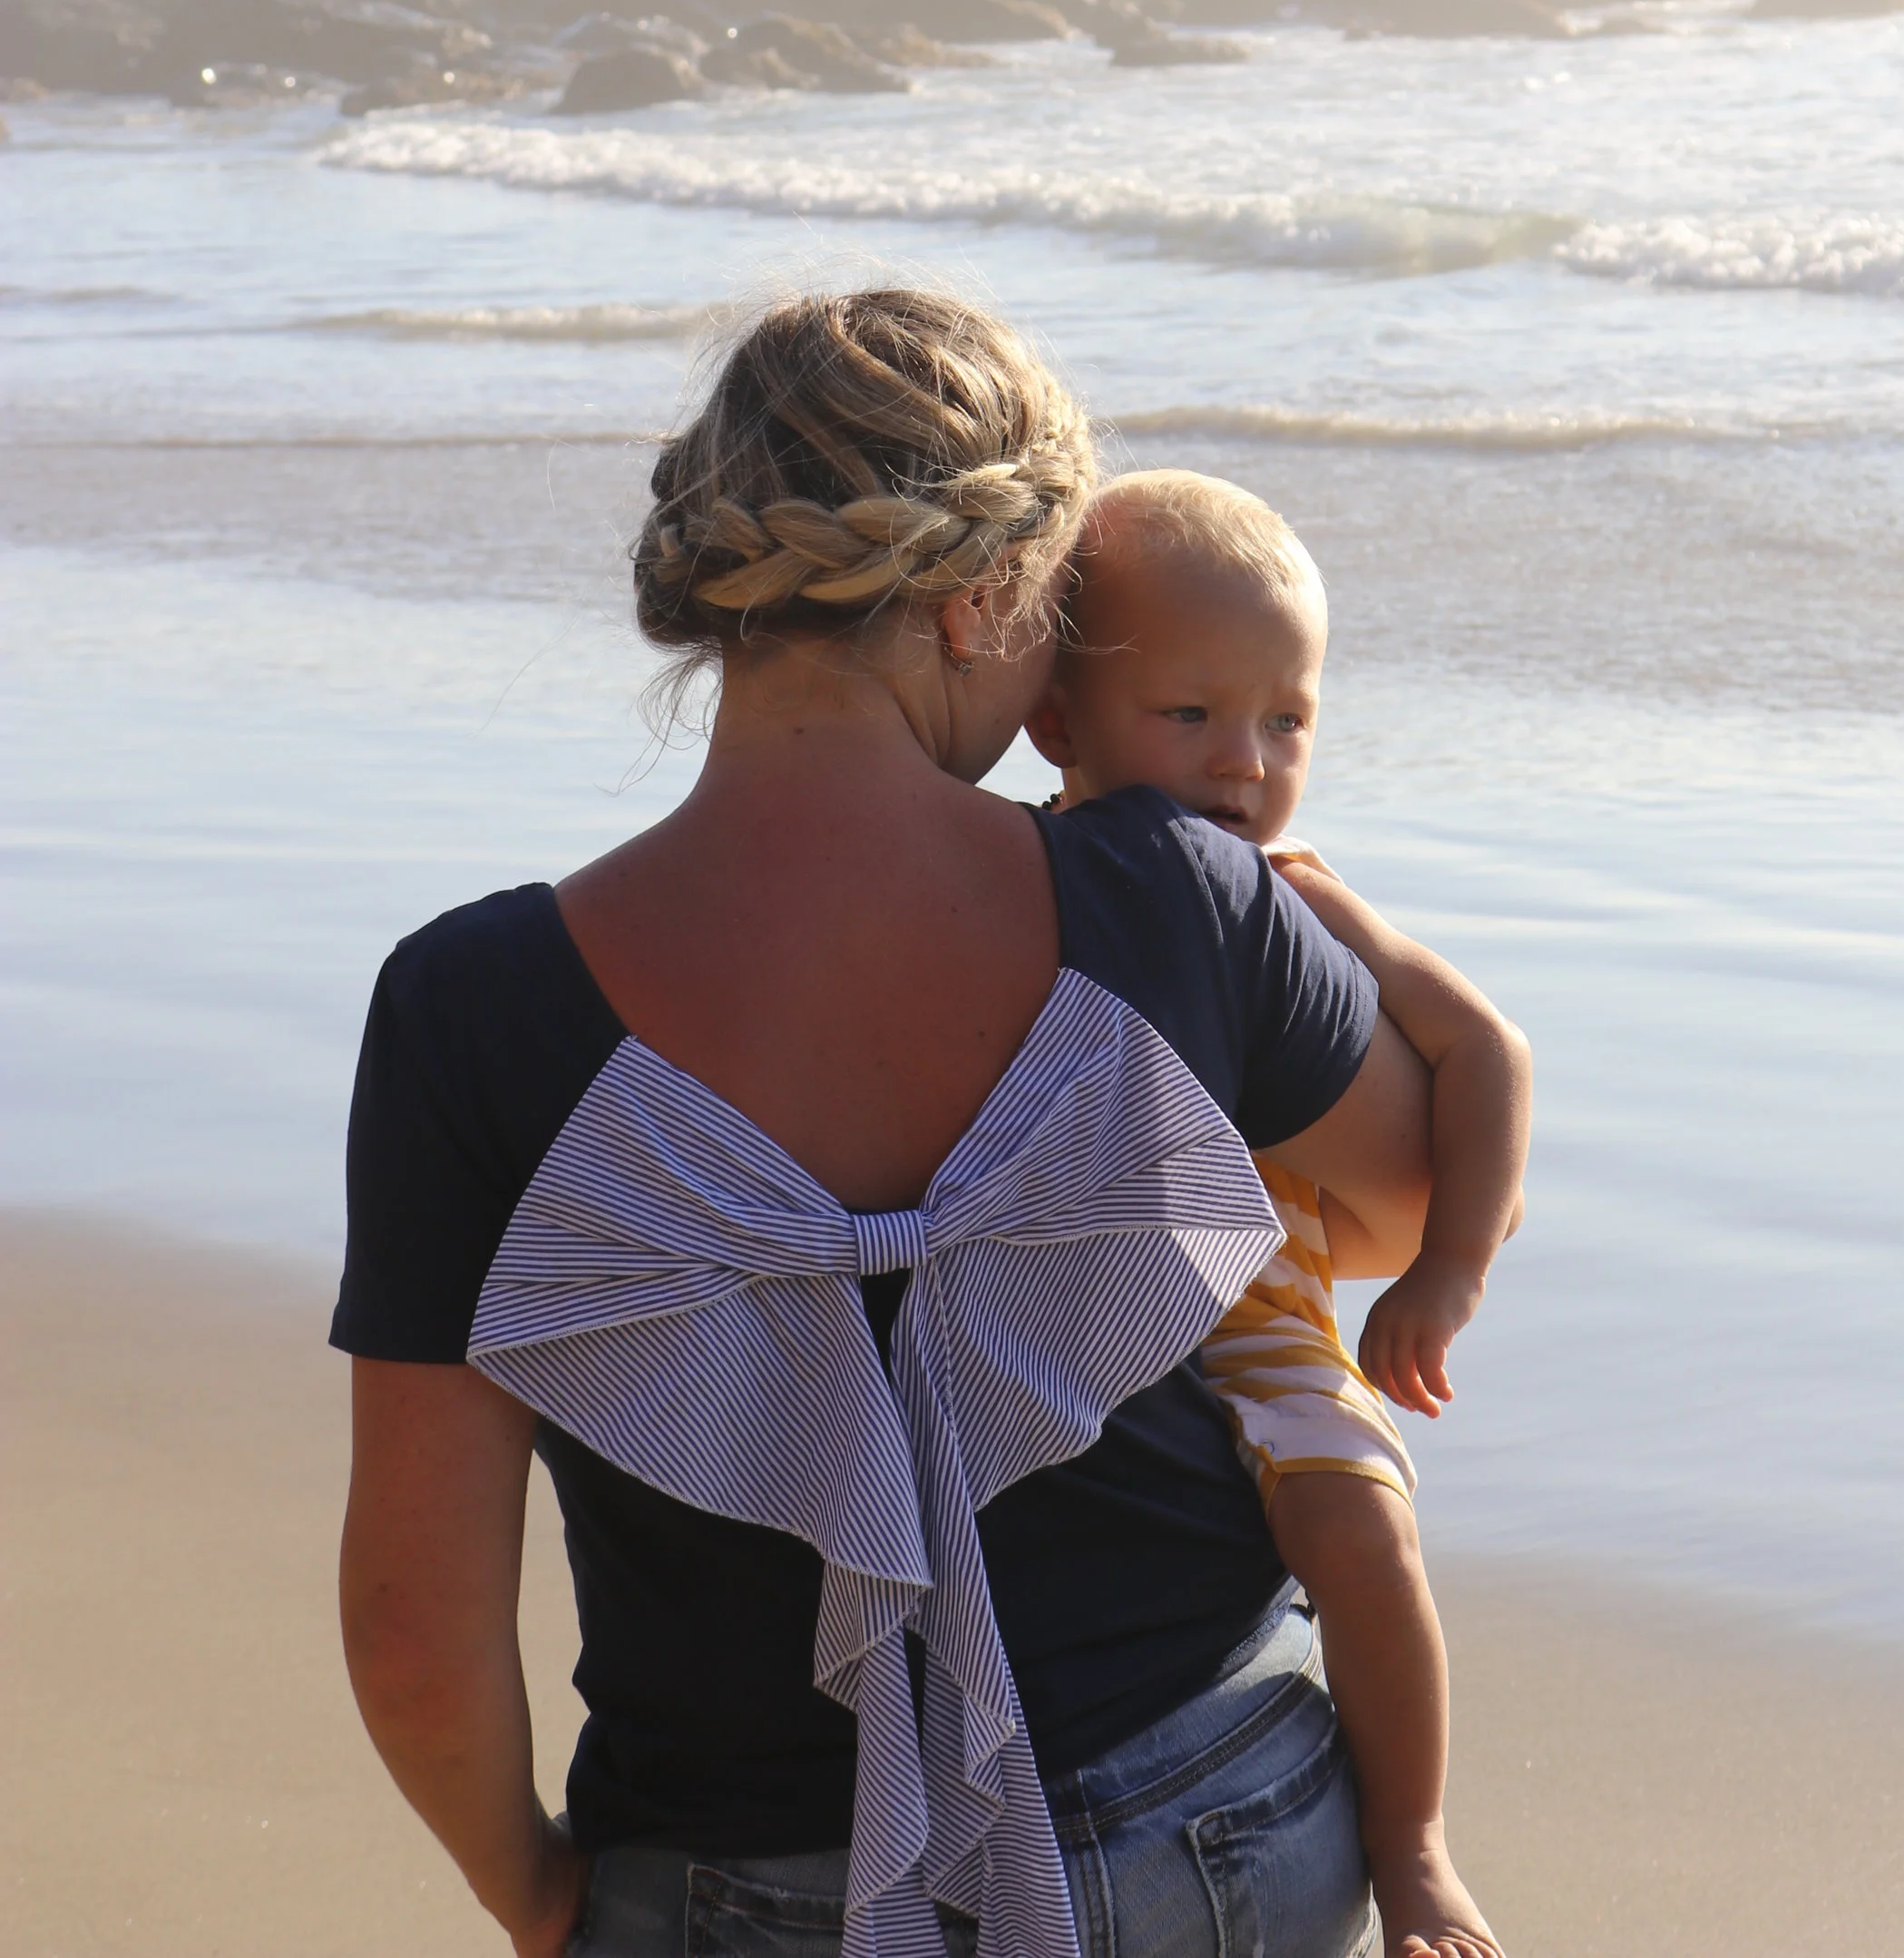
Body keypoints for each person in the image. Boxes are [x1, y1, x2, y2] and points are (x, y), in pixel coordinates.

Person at [333, 289, 1435, 1958]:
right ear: (985, 594)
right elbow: (1399, 1211)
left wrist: (546, 1895)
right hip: (1220, 1825)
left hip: (742, 1880)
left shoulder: (473, 1010)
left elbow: (416, 1634)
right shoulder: (1173, 900)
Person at [1025, 471, 1530, 1958]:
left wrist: (1445, 1275)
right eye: (1190, 715)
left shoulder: (1296, 895)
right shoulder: (1003, 871)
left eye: (1287, 720)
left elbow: (1483, 1048)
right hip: (1074, 1335)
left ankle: (1416, 1848)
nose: (1244, 762)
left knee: (1363, 1533)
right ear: (1056, 718)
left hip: (1266, 1309)